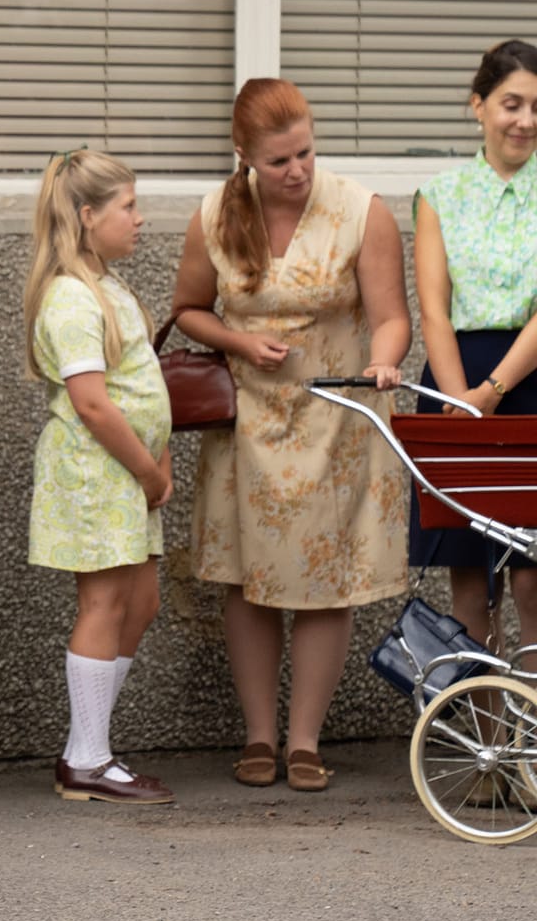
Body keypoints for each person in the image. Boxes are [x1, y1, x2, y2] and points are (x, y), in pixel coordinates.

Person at [170, 78, 409, 793]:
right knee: (247, 580)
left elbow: (391, 316)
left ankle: (304, 740)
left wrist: (384, 360)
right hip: (246, 421)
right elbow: (188, 308)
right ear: (243, 155)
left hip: (336, 419)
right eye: (279, 161)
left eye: (305, 152)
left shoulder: (362, 211)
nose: (298, 169)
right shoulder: (214, 214)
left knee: (324, 583)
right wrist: (239, 343)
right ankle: (258, 736)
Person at [22, 152, 175, 805]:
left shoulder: (110, 286)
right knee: (104, 604)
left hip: (130, 475)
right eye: (128, 207)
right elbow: (90, 402)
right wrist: (145, 468)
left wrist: (158, 460)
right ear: (88, 216)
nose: (139, 219)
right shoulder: (70, 296)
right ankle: (87, 759)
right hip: (99, 474)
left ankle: (87, 745)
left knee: (140, 604)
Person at [410, 40, 537, 645]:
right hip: (454, 384)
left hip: (528, 382)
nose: (526, 120)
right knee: (472, 583)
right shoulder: (440, 196)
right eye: (512, 104)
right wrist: (460, 400)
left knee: (533, 580)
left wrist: (492, 391)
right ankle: (483, 710)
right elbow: (434, 310)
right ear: (478, 105)